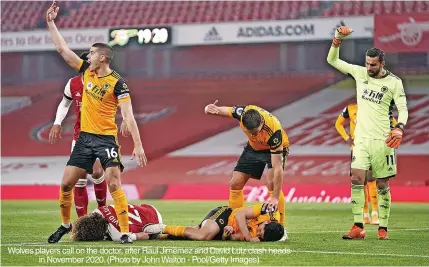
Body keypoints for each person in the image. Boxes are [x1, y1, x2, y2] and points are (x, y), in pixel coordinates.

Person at [46, 1, 147, 244]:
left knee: (114, 183)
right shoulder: (86, 73)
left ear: (102, 58)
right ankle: (65, 224)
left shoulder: (118, 83)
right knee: (66, 183)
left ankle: (124, 232)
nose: (87, 56)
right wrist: (50, 23)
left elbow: (129, 116)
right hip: (84, 139)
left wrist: (138, 144)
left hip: (106, 139)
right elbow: (63, 50)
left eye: (91, 53)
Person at [327, 26, 409, 240]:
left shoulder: (394, 82)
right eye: (367, 63)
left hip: (383, 140)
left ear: (382, 63)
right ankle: (357, 226)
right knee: (356, 178)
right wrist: (337, 40)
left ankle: (383, 227)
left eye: (373, 64)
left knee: (382, 183)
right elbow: (333, 61)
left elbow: (403, 108)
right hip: (361, 140)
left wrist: (399, 128)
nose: (369, 67)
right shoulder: (360, 73)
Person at [204, 102, 289, 241]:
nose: (254, 134)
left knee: (271, 183)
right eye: (251, 132)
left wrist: (274, 198)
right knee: (235, 183)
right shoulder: (243, 113)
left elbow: (278, 168)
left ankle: (281, 228)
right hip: (254, 148)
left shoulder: (274, 132)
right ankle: (234, 224)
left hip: (274, 149)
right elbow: (225, 110)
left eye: (256, 131)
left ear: (261, 121)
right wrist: (211, 109)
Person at [335, 103, 399, 225]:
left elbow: (394, 124)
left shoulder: (377, 106)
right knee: (360, 181)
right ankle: (365, 214)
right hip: (357, 149)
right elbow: (338, 124)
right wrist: (347, 139)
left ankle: (375, 213)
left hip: (372, 147)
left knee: (371, 179)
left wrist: (387, 137)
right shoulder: (350, 108)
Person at [143, 204, 284, 242]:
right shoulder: (268, 210)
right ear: (266, 223)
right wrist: (248, 237)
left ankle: (160, 235)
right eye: (260, 230)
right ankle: (162, 227)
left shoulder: (262, 237)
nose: (258, 234)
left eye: (260, 236)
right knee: (203, 235)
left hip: (225, 229)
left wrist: (227, 234)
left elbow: (233, 238)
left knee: (196, 235)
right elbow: (241, 214)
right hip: (225, 214)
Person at [71, 203, 162, 241]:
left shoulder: (117, 235)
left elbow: (143, 235)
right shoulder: (99, 210)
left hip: (156, 220)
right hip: (149, 207)